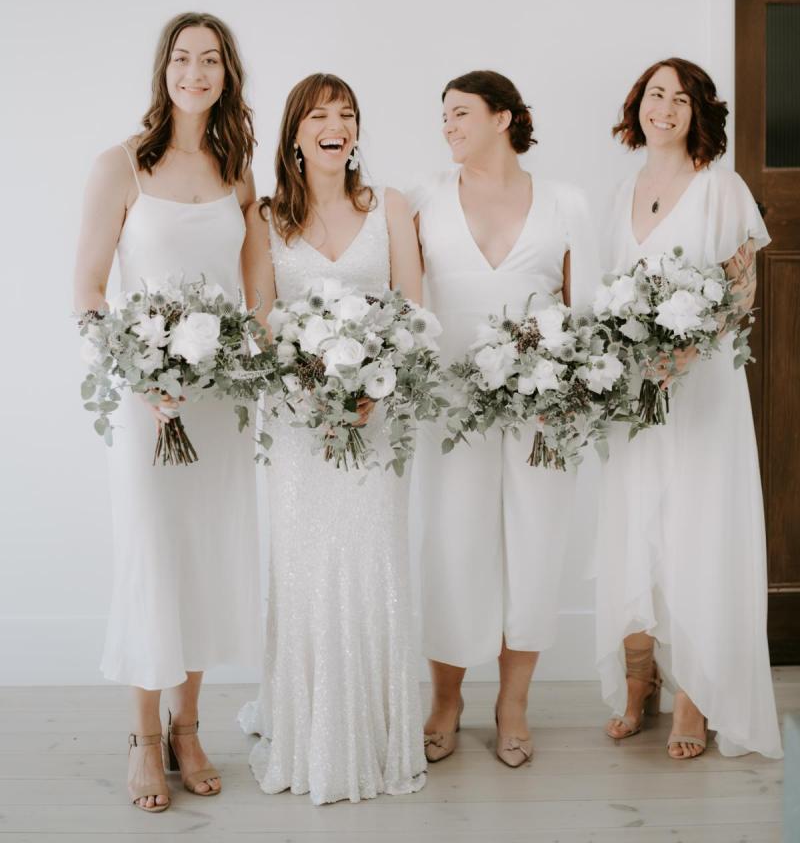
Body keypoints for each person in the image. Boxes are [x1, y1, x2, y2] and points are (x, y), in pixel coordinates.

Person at [73, 12, 260, 811]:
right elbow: (86, 291)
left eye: (210, 60)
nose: (196, 72)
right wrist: (136, 373)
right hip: (144, 404)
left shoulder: (238, 168)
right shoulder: (119, 165)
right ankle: (145, 735)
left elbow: (255, 298)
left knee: (204, 554)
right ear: (164, 70)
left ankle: (191, 727)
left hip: (217, 405)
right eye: (183, 59)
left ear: (226, 74)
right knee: (153, 554)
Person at [238, 73, 427, 805]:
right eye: (320, 114)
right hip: (295, 425)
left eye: (347, 115)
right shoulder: (264, 217)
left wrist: (372, 390)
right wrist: (310, 393)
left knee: (372, 562)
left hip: (375, 422)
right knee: (307, 569)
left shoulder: (391, 209)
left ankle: (376, 734)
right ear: (295, 132)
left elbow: (412, 312)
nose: (336, 125)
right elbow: (260, 321)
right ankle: (308, 729)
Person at [594, 57, 781, 760]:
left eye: (679, 98)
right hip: (633, 399)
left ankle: (696, 700)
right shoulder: (621, 191)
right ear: (637, 104)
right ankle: (640, 685)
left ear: (699, 111)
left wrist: (686, 355)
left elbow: (741, 293)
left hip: (700, 392)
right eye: (653, 94)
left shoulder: (721, 188)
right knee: (633, 528)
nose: (663, 108)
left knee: (697, 531)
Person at [410, 70, 597, 767]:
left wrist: (562, 390)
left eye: (460, 113)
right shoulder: (424, 197)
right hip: (450, 406)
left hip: (541, 406)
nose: (448, 126)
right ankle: (446, 700)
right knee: (453, 548)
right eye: (444, 117)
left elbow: (586, 314)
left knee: (537, 546)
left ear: (504, 117)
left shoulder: (566, 201)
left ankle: (513, 703)